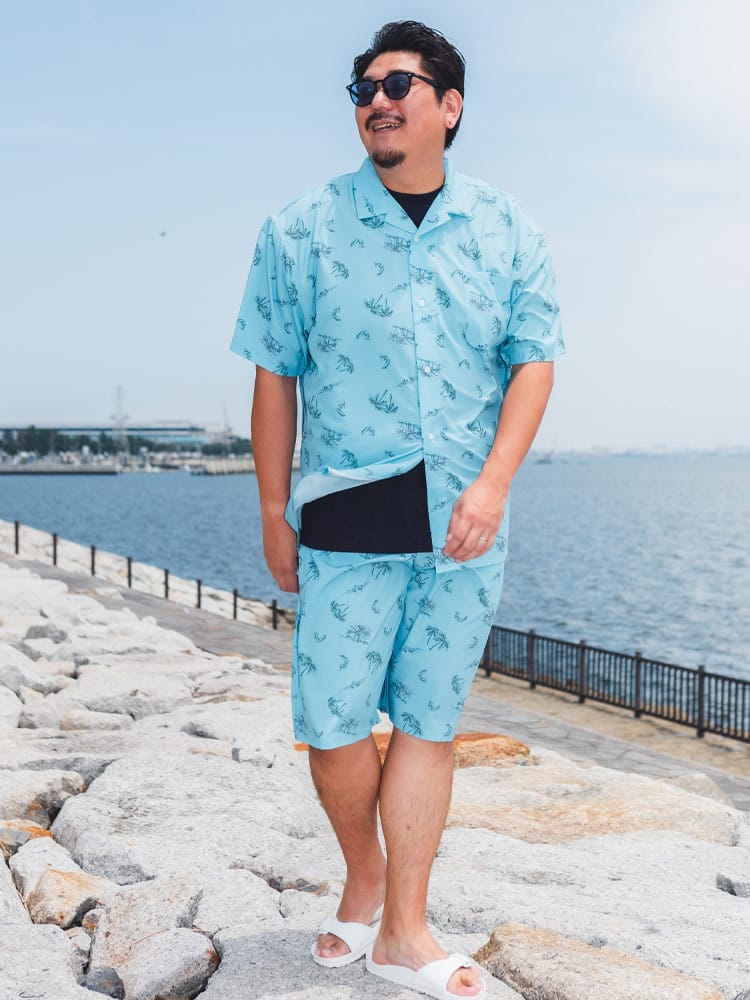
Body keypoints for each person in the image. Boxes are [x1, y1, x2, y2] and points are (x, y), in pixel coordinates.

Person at [230, 20, 564, 1000]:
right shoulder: (299, 231)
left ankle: (404, 931)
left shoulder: (507, 229)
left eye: (398, 84)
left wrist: (493, 484)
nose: (376, 99)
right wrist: (272, 509)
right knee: (333, 721)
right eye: (363, 87)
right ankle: (364, 874)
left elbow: (534, 363)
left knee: (427, 722)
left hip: (464, 518)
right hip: (347, 508)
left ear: (448, 106)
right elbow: (274, 377)